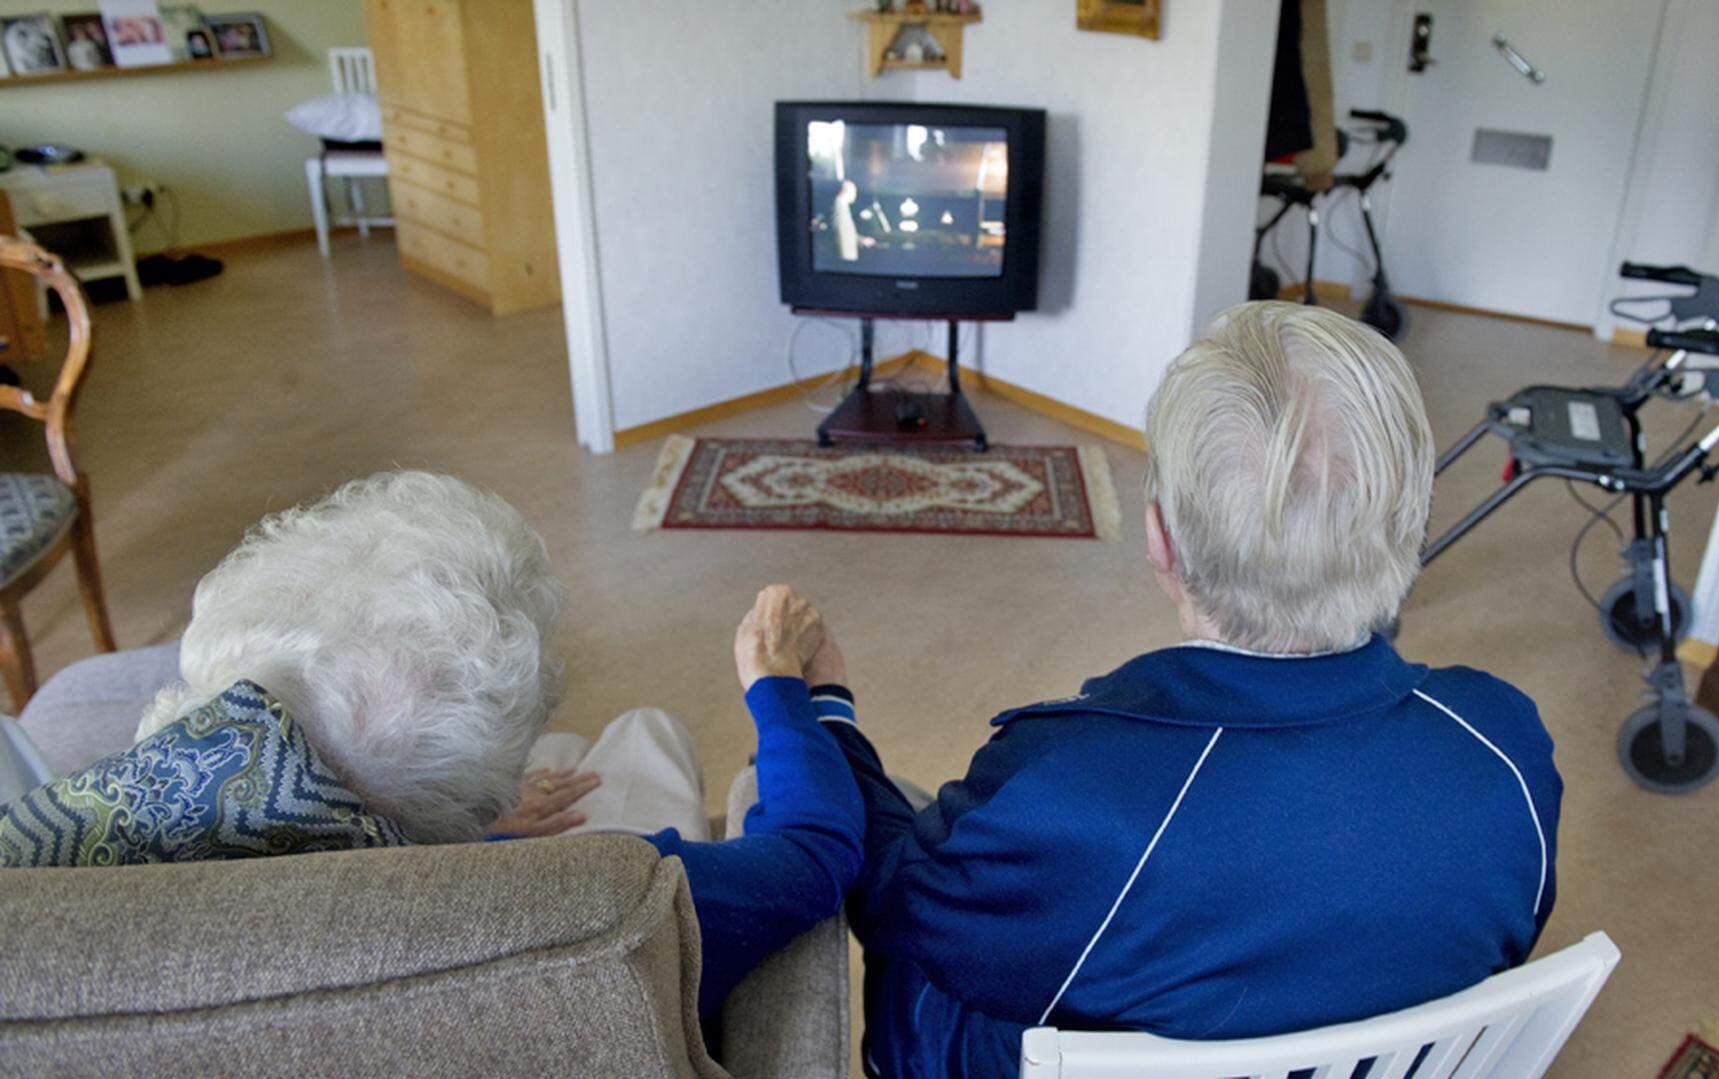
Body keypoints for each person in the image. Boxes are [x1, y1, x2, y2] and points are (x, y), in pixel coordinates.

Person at [807, 302, 1563, 1076]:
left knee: (914, 959)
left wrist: (821, 709)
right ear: (1412, 525)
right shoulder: (1509, 747)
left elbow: (894, 903)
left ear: (1159, 537)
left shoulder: (1071, 792)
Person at [3, 472, 862, 1029]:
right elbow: (817, 855)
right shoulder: (595, 898)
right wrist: (784, 686)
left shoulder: (57, 846)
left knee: (575, 756)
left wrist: (469, 821)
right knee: (647, 732)